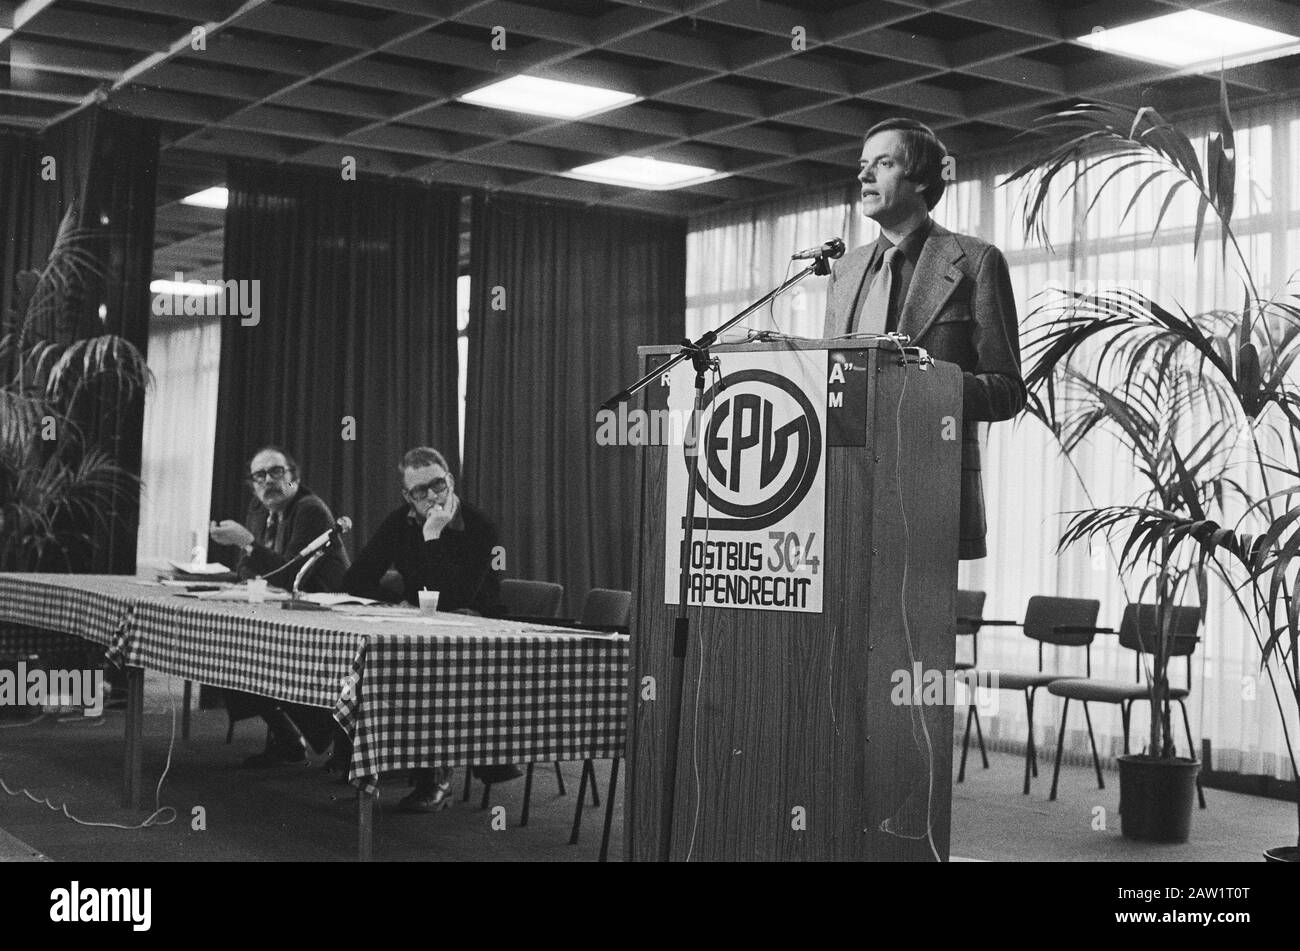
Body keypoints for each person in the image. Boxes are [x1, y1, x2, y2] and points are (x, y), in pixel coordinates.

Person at [823, 117, 1026, 560]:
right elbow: (828, 382)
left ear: (920, 179)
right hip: (844, 493)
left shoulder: (976, 262)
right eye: (862, 164)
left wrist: (922, 387)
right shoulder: (844, 270)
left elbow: (1007, 392)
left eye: (884, 163)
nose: (863, 175)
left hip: (931, 490)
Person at [343, 446, 505, 811]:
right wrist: (391, 599)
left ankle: (437, 775)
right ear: (407, 496)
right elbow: (355, 579)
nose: (432, 496)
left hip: (477, 625)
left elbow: (456, 596)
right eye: (421, 491)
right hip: (421, 622)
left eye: (438, 484)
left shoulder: (480, 526)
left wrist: (433, 537)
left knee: (432, 663)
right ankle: (376, 756)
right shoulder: (401, 521)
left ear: (449, 480)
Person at [209, 445, 351, 767]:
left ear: (294, 478)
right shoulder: (259, 511)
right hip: (284, 613)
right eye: (259, 476)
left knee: (254, 651)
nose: (268, 482)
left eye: (277, 473)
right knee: (227, 642)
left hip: (326, 617)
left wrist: (246, 542)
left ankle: (320, 731)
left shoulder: (310, 509)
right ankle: (286, 734)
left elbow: (287, 574)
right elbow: (250, 570)